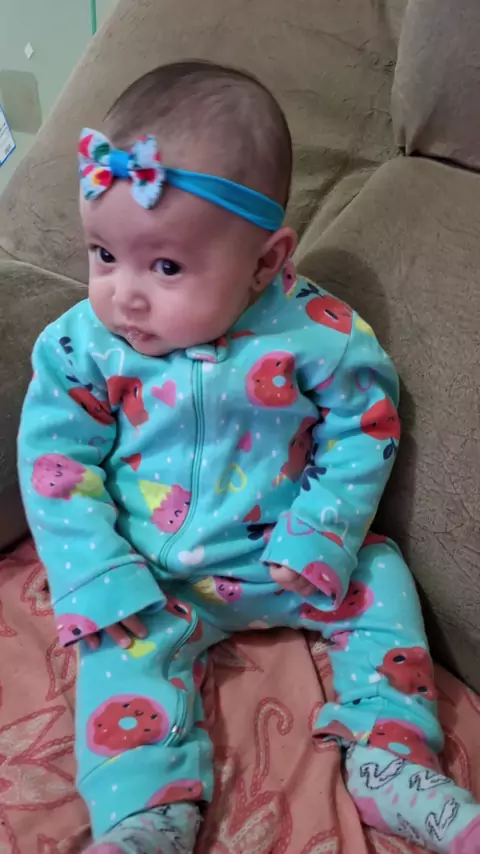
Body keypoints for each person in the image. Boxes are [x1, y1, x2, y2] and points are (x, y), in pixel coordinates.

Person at [18, 60, 480, 854]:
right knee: (119, 653)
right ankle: (147, 814)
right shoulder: (80, 348)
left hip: (290, 563)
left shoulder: (320, 336)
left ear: (267, 262)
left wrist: (321, 533)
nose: (124, 294)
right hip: (155, 572)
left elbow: (365, 429)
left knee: (381, 577)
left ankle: (392, 761)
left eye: (165, 266)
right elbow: (57, 463)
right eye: (103, 254)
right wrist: (97, 569)